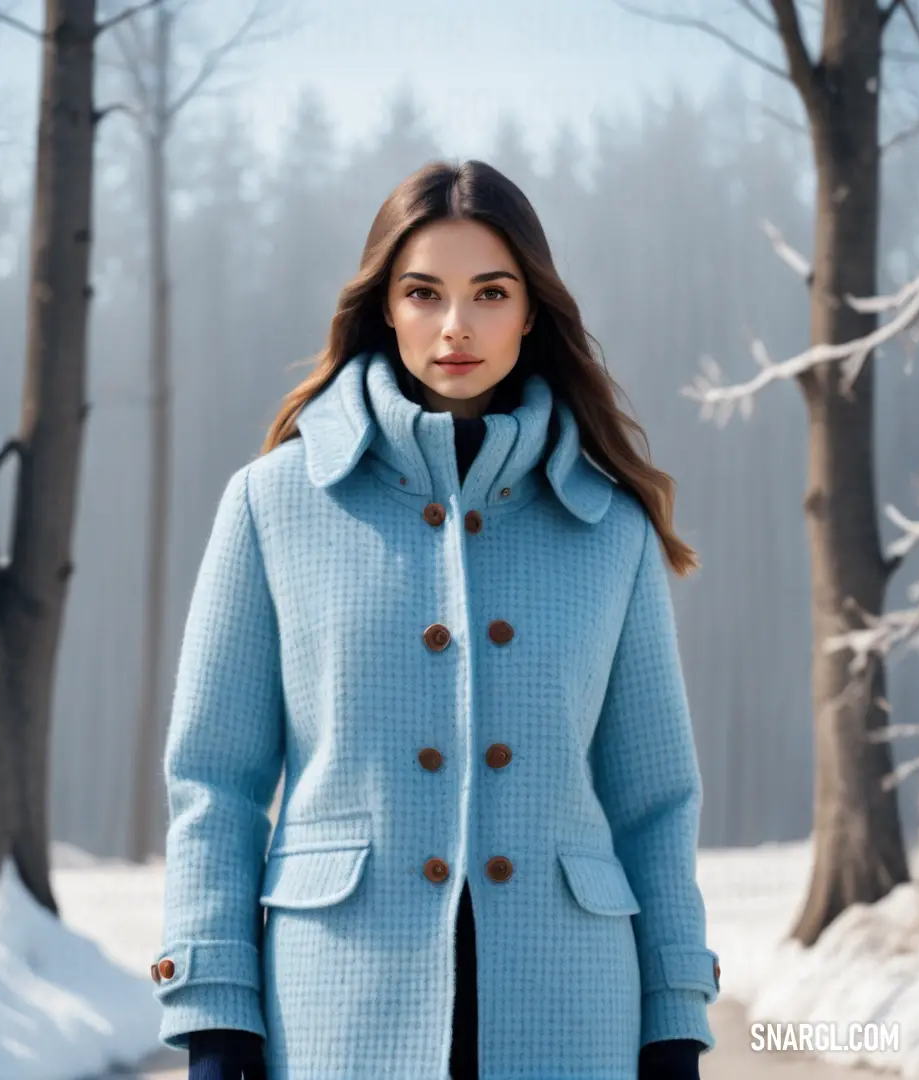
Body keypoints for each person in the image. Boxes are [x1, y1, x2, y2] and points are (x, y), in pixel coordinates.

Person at [151, 159, 721, 1080]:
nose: (457, 326)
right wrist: (215, 1014)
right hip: (336, 1007)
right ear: (386, 306)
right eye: (425, 293)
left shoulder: (608, 528)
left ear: (531, 310)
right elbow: (213, 781)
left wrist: (673, 1016)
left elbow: (654, 805)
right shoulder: (275, 504)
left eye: (490, 293)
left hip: (573, 1014)